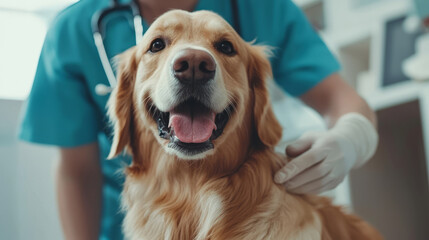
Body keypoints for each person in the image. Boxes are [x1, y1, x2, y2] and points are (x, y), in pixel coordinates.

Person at [19, 0, 378, 239]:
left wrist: (351, 138)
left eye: (224, 48)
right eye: (158, 45)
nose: (192, 61)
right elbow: (76, 170)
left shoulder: (263, 5)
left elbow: (340, 99)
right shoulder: (73, 28)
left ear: (258, 99)